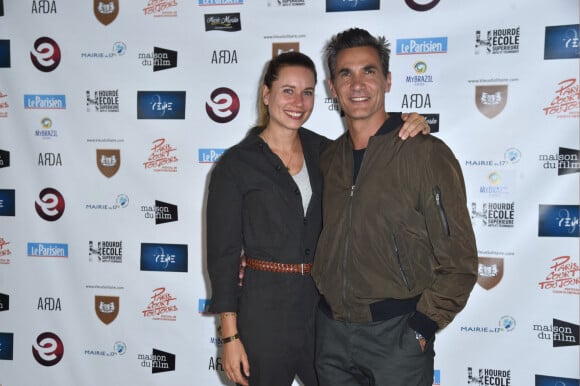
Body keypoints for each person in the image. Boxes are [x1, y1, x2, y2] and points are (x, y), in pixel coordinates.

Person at [206, 51, 429, 386]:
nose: (298, 101)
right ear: (266, 95)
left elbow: (373, 152)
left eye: (307, 92)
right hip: (264, 314)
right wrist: (229, 338)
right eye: (288, 90)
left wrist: (407, 124)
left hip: (324, 313)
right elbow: (223, 258)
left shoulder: (329, 153)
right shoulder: (235, 166)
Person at [311, 28, 478, 386]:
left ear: (387, 81)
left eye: (368, 71)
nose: (357, 84)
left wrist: (421, 326)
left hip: (397, 337)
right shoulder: (328, 158)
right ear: (332, 86)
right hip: (331, 336)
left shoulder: (424, 152)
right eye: (346, 73)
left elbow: (460, 260)